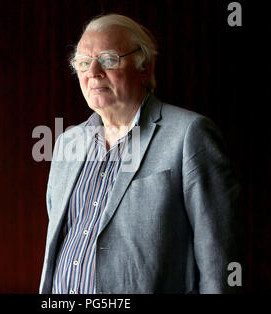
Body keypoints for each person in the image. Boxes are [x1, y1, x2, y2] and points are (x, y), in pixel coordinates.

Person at [39, 13, 243, 294]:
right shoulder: (65, 144)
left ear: (144, 66)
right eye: (83, 63)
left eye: (109, 59)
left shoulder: (189, 134)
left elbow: (218, 260)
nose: (93, 72)